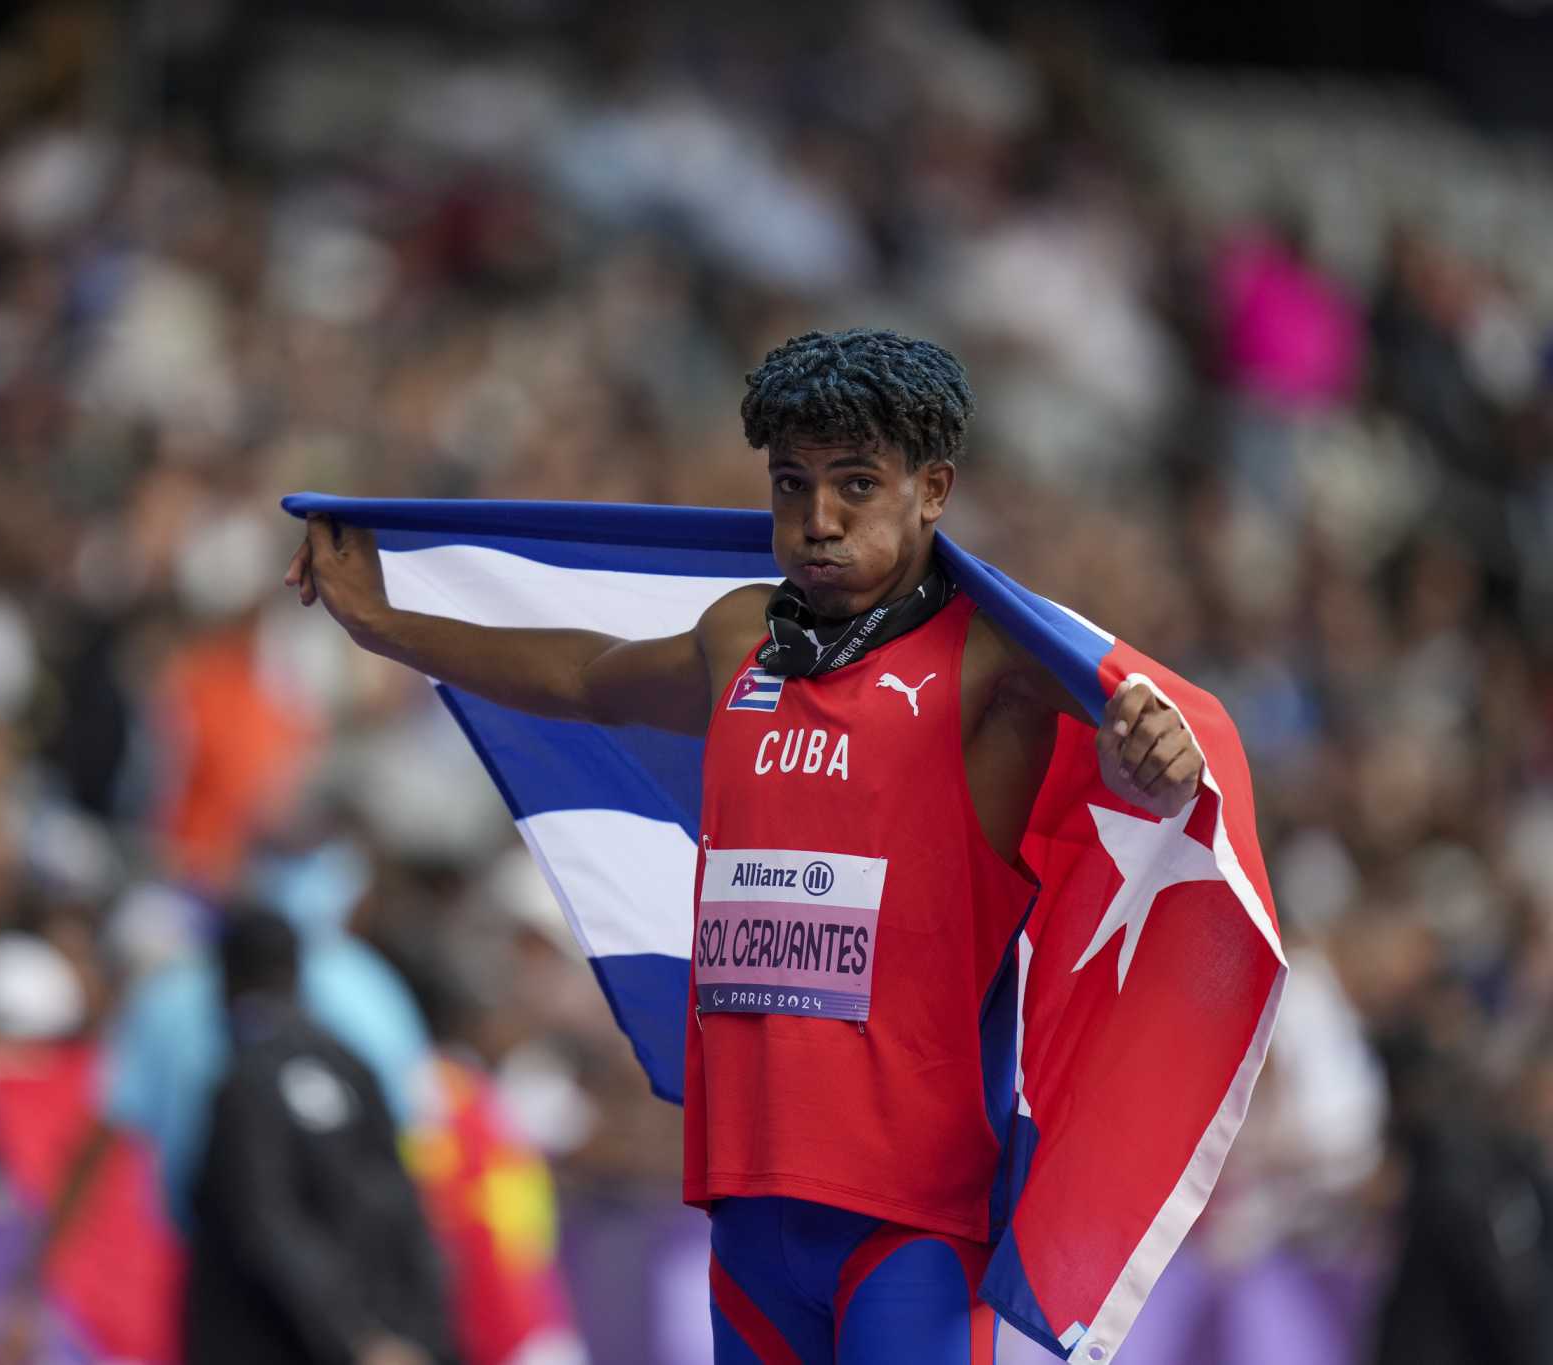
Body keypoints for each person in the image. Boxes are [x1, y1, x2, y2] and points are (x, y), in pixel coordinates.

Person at [285, 328, 1208, 1364]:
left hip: (908, 1226)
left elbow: (1137, 764)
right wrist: (382, 626)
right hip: (747, 1210)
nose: (817, 520)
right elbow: (581, 678)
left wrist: (1157, 756)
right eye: (790, 486)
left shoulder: (996, 665)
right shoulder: (738, 641)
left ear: (932, 491)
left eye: (856, 485)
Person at [192, 907, 456, 1365]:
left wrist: (358, 1337)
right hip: (379, 1328)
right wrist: (415, 1334)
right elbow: (404, 1205)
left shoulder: (246, 1080)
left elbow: (265, 1221)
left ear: (227, 977)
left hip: (282, 1338)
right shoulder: (352, 1063)